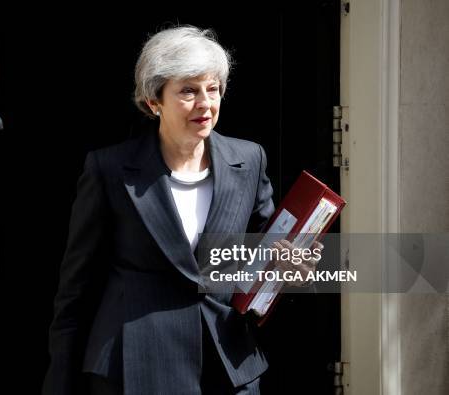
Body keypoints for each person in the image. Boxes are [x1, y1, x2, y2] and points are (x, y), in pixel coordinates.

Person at [42, 25, 321, 395]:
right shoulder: (108, 169)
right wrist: (59, 381)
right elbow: (76, 289)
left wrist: (293, 272)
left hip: (227, 363)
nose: (205, 102)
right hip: (134, 367)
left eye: (213, 88)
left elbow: (262, 260)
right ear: (153, 101)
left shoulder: (249, 159)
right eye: (188, 90)